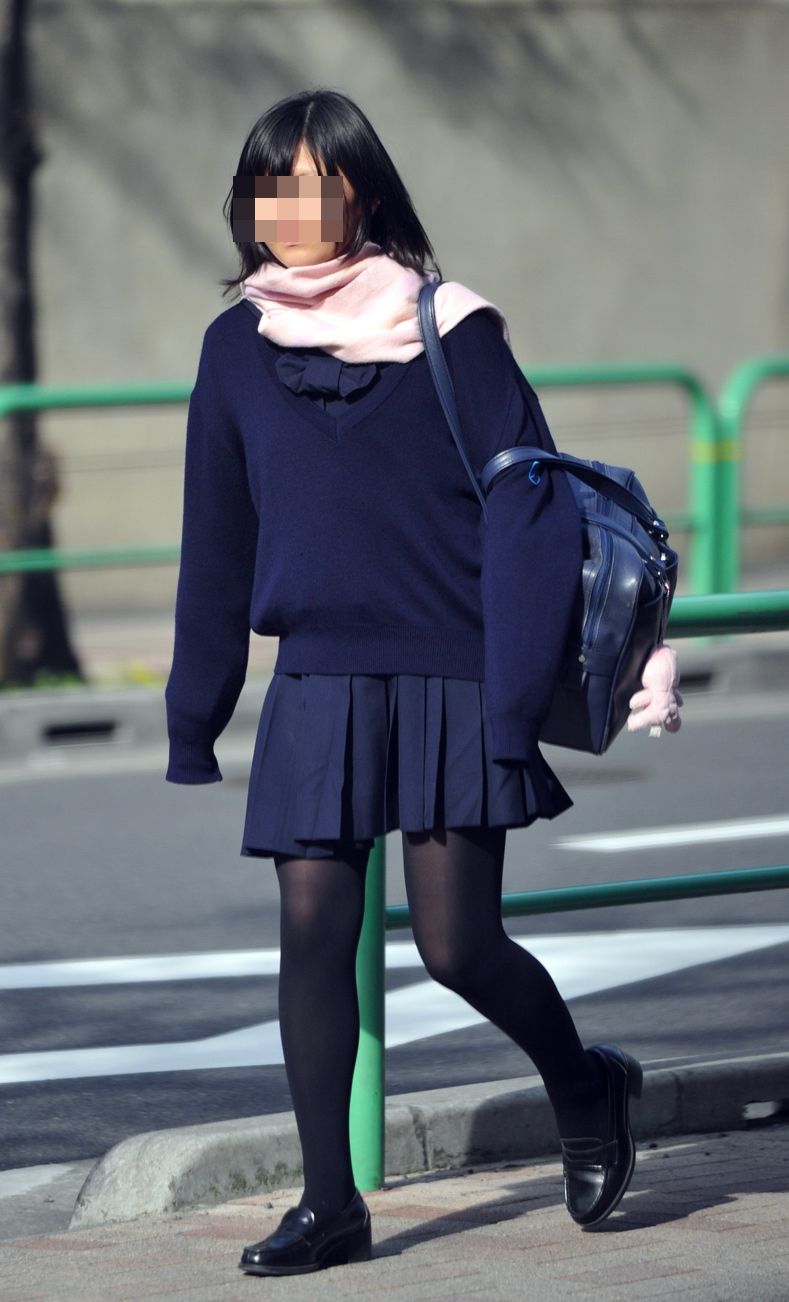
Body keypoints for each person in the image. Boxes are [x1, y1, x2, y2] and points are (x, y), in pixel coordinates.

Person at [164, 87, 643, 1278]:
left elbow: (530, 507)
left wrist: (516, 688)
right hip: (317, 677)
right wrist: (195, 708)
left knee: (457, 945)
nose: (287, 210)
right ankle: (332, 1203)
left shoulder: (451, 327)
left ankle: (586, 1085)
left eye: (312, 185)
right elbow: (215, 537)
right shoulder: (234, 348)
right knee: (312, 933)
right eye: (267, 187)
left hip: (454, 674)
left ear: (362, 196)